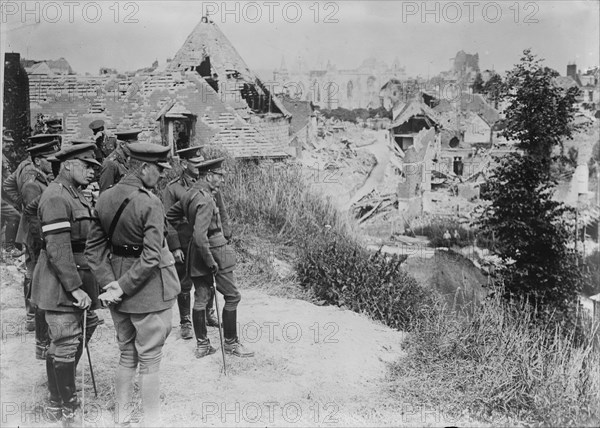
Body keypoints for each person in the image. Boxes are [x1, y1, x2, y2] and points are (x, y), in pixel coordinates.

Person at [85, 142, 180, 426]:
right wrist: (124, 286)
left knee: (127, 354)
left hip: (117, 287)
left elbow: (93, 250)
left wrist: (111, 285)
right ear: (144, 168)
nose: (161, 176)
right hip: (148, 290)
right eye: (159, 170)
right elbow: (151, 256)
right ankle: (152, 421)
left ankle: (121, 416)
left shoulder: (104, 198)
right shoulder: (149, 201)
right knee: (150, 359)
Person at [29, 143, 101, 424]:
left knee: (83, 328)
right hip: (60, 282)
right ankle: (62, 403)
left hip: (74, 276)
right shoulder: (56, 197)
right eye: (86, 166)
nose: (91, 172)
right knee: (66, 340)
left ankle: (59, 392)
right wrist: (74, 288)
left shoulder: (74, 195)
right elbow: (58, 249)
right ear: (69, 165)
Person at [166, 158, 253, 359]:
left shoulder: (190, 194)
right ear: (209, 176)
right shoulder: (205, 199)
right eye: (219, 176)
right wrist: (211, 261)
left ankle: (203, 345)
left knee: (201, 297)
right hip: (213, 252)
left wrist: (188, 228)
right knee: (232, 296)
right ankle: (230, 343)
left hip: (196, 253)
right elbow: (199, 235)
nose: (222, 180)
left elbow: (170, 216)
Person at [5, 135, 62, 331]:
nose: (53, 162)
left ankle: (34, 314)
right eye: (49, 158)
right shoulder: (32, 182)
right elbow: (33, 215)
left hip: (33, 233)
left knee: (36, 271)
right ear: (38, 160)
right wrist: (40, 241)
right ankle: (32, 316)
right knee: (34, 271)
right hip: (33, 235)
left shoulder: (40, 177)